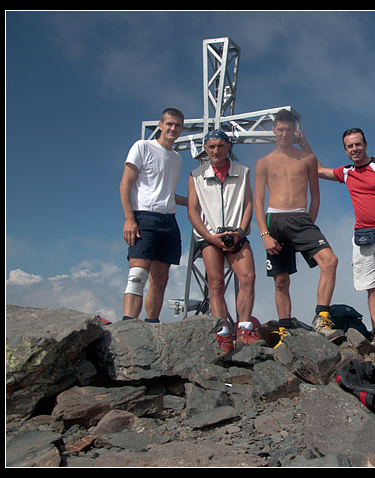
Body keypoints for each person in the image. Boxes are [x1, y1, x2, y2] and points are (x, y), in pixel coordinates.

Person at [316, 127, 375, 351]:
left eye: (358, 144)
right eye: (350, 146)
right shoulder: (346, 172)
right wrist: (301, 143)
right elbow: (318, 170)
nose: (355, 149)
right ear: (345, 150)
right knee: (371, 287)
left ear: (365, 145)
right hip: (362, 234)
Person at [253, 109, 342, 346]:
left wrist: (309, 224)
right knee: (281, 280)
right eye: (280, 129)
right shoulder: (263, 163)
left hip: (302, 219)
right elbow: (258, 202)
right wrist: (264, 234)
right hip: (275, 220)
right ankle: (285, 329)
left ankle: (322, 317)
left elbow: (316, 197)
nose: (284, 133)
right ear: (274, 130)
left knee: (330, 261)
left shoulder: (308, 159)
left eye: (288, 129)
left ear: (295, 131)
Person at [187, 129, 264, 355]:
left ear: (228, 147)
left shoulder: (242, 172)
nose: (215, 151)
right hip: (209, 236)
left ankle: (244, 327)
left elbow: (248, 203)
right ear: (205, 149)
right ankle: (222, 333)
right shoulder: (196, 175)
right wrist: (209, 237)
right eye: (210, 147)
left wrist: (240, 231)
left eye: (220, 146)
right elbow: (193, 211)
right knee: (216, 282)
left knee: (248, 277)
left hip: (236, 234)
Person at [120, 107, 188, 323]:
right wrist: (129, 219)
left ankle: (152, 323)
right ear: (160, 125)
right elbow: (125, 184)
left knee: (160, 279)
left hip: (168, 220)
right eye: (169, 124)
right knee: (138, 276)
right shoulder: (142, 147)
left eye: (177, 125)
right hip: (144, 217)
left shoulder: (176, 158)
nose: (173, 128)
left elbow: (166, 192)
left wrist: (195, 203)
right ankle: (129, 323)